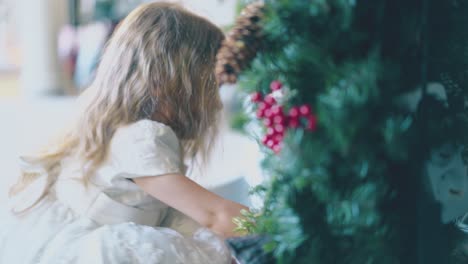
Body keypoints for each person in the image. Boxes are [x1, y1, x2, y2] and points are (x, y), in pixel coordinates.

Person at [0, 2, 248, 263]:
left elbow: (182, 216)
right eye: (211, 86)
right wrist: (281, 228)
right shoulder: (144, 136)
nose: (216, 103)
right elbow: (214, 214)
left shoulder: (113, 127)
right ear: (171, 81)